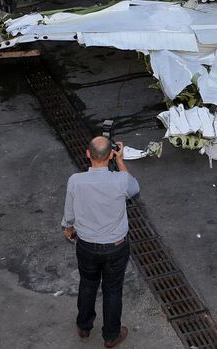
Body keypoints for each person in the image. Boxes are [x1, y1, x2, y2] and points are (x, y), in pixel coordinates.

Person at [62, 136, 139, 348]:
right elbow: (134, 189)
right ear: (111, 154)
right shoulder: (121, 180)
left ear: (88, 154)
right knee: (112, 290)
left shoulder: (75, 181)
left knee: (87, 284)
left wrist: (68, 228)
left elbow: (69, 213)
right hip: (116, 247)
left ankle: (84, 326)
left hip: (86, 245)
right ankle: (111, 336)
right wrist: (120, 160)